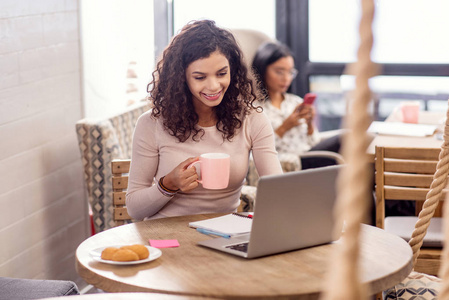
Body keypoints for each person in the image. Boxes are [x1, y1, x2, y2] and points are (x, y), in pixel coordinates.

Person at [126, 20, 283, 220]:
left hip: (224, 236)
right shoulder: (151, 124)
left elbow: (277, 187)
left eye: (221, 74)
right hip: (166, 237)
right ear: (181, 78)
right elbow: (134, 210)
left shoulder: (252, 119)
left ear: (232, 72)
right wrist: (168, 185)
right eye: (200, 77)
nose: (214, 86)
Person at [251, 42, 342, 170]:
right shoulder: (255, 109)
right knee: (344, 139)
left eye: (290, 72)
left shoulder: (295, 102)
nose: (286, 78)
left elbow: (314, 142)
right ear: (262, 70)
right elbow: (257, 152)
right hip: (292, 162)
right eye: (279, 72)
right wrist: (284, 127)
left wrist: (310, 124)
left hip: (311, 154)